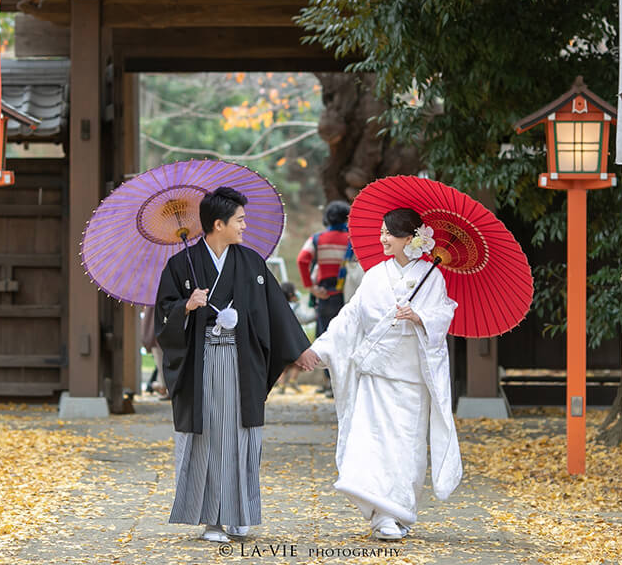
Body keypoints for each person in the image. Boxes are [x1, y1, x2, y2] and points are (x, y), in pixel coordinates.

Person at [155, 186, 315, 544]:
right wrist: (187, 305)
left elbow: (276, 309)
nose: (245, 225)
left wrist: (298, 349)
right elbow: (163, 313)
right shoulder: (181, 264)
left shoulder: (250, 263)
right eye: (240, 220)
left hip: (241, 362)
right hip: (204, 363)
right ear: (218, 223)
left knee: (243, 436)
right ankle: (212, 519)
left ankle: (239, 512)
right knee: (211, 437)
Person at [297, 207, 462, 541]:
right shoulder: (374, 276)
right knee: (371, 445)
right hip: (375, 376)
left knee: (406, 447)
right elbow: (349, 318)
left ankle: (398, 511)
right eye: (383, 232)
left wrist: (419, 317)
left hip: (410, 378)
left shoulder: (433, 277)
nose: (383, 238)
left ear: (410, 238)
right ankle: (381, 515)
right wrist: (319, 349)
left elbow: (442, 315)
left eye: (389, 233)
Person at [296, 200, 353, 395]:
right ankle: (344, 382)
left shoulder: (317, 239)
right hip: (346, 295)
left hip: (325, 294)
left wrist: (310, 287)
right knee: (345, 337)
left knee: (325, 336)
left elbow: (302, 260)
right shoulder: (351, 239)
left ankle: (329, 383)